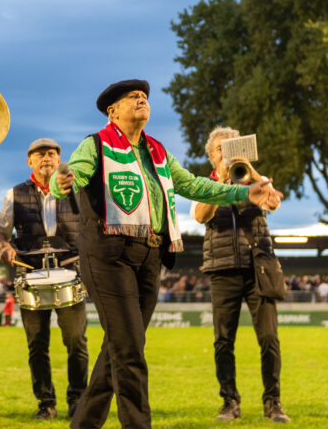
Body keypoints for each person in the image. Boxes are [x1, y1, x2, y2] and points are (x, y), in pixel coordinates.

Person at [52, 80, 281, 428]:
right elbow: (74, 173)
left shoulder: (158, 151)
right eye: (132, 97)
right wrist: (61, 180)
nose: (141, 98)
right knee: (129, 350)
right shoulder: (94, 145)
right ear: (112, 111)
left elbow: (193, 185)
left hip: (150, 257)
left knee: (119, 346)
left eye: (144, 96)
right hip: (108, 255)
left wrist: (242, 193)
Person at [192, 126, 289, 423]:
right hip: (222, 270)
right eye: (221, 150)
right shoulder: (204, 183)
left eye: (232, 148)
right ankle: (230, 402)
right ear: (212, 157)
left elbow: (274, 202)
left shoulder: (252, 180)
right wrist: (221, 182)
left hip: (258, 267)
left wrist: (252, 172)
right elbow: (199, 215)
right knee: (223, 340)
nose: (227, 154)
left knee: (269, 338)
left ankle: (273, 403)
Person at [0, 137, 88, 420]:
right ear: (29, 161)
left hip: (70, 272)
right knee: (37, 345)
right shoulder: (15, 194)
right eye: (39, 154)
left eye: (51, 154)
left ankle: (78, 400)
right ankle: (46, 403)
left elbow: (95, 227)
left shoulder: (78, 191)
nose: (46, 158)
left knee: (76, 341)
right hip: (31, 274)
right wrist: (5, 247)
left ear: (59, 160)